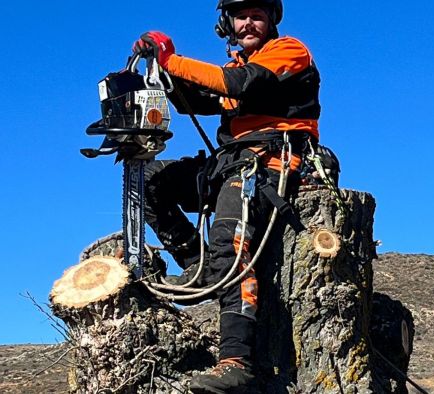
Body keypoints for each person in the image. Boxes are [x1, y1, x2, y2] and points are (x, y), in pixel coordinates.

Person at [132, 0, 320, 391]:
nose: (248, 22)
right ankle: (198, 266)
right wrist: (156, 71)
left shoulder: (289, 51)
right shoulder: (233, 67)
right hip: (229, 163)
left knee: (230, 243)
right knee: (149, 181)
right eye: (241, 15)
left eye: (257, 15)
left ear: (271, 21)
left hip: (271, 163)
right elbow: (199, 97)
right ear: (228, 22)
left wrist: (171, 59)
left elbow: (240, 85)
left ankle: (236, 361)